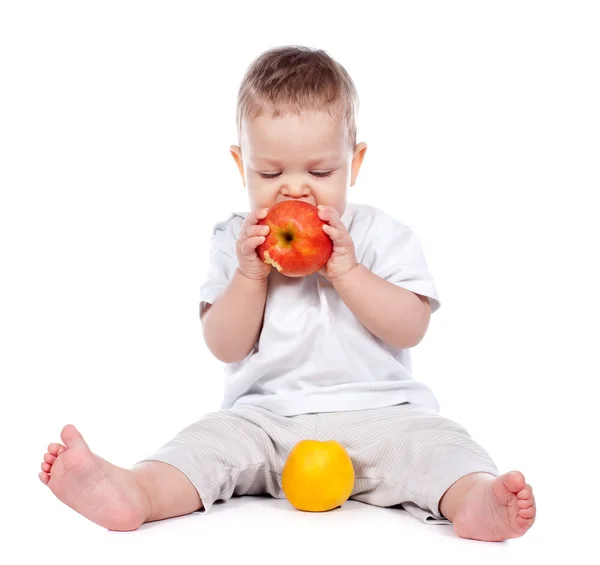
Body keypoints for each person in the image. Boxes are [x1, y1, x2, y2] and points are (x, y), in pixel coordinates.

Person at [39, 45, 536, 541]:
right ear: (241, 165)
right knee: (205, 445)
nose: (294, 191)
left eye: (320, 173)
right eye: (270, 173)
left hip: (382, 417)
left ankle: (474, 499)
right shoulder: (234, 241)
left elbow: (412, 326)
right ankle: (137, 492)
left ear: (354, 162)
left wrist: (348, 271)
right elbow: (224, 345)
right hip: (265, 421)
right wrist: (249, 277)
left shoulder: (383, 235)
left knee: (438, 444)